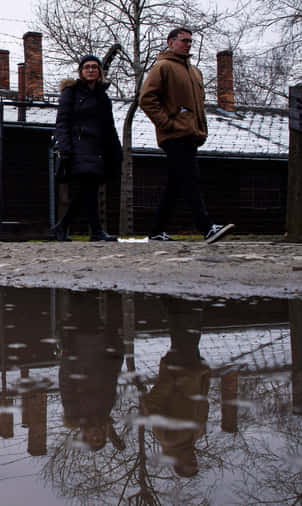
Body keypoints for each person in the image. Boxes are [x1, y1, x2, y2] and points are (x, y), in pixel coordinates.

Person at [140, 27, 234, 244]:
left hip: (192, 134)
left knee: (176, 184)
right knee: (190, 179)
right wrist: (168, 123)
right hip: (174, 135)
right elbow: (147, 99)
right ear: (171, 42)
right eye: (184, 40)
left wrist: (201, 129)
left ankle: (156, 231)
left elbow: (199, 105)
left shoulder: (194, 72)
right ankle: (207, 227)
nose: (188, 44)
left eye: (190, 41)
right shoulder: (162, 68)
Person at [51, 55, 121, 242]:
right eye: (87, 67)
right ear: (81, 72)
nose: (91, 70)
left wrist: (116, 149)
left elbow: (109, 126)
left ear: (100, 72)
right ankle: (92, 230)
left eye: (94, 67)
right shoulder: (71, 93)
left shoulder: (103, 97)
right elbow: (62, 121)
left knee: (88, 190)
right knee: (86, 188)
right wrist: (65, 147)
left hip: (98, 149)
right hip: (78, 147)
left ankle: (66, 227)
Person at [142, 296, 211, 477]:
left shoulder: (167, 437)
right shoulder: (197, 435)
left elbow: (150, 405)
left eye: (189, 463)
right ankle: (176, 300)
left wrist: (172, 380)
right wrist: (204, 378)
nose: (193, 459)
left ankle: (188, 300)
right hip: (194, 371)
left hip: (178, 371)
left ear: (178, 462)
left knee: (188, 334)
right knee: (188, 335)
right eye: (195, 462)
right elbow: (202, 402)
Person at [59, 292, 125, 451]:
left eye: (92, 439)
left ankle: (80, 283)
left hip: (82, 353)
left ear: (85, 436)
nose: (96, 436)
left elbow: (66, 384)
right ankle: (111, 285)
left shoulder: (74, 414)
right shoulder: (104, 414)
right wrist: (117, 358)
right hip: (105, 355)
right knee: (111, 317)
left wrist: (69, 355)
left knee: (84, 311)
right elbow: (111, 383)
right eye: (100, 438)